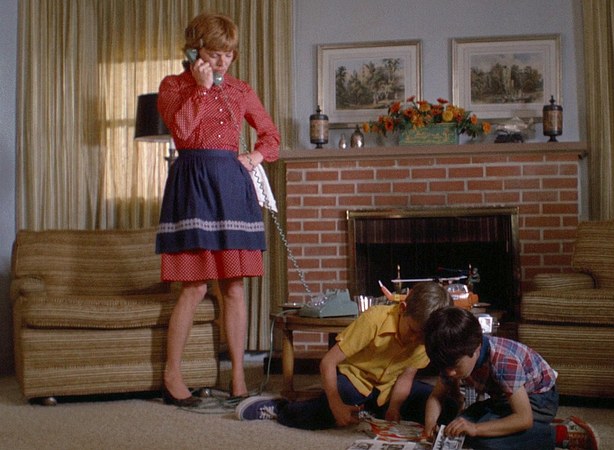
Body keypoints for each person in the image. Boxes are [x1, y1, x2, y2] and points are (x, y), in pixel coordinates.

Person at [156, 12, 280, 406]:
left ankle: (239, 380)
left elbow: (271, 135)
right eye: (214, 53)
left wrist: (255, 156)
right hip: (193, 185)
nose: (223, 61)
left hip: (231, 187)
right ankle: (172, 376)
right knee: (194, 286)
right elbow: (181, 131)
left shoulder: (241, 90)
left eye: (229, 53)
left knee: (235, 288)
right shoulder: (173, 86)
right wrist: (201, 89)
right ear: (195, 52)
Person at [236, 282, 452, 428]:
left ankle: (372, 411)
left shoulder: (427, 339)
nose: (415, 340)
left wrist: (394, 408)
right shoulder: (374, 319)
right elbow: (328, 362)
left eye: (422, 338)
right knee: (329, 410)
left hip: (389, 389)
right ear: (403, 309)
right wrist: (335, 404)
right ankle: (281, 408)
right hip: (355, 381)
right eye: (413, 331)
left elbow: (406, 378)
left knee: (445, 406)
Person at [422, 307, 559, 449]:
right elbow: (436, 396)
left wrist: (476, 428)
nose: (450, 373)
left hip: (539, 400)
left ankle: (550, 435)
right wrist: (430, 424)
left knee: (484, 441)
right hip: (502, 399)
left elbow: (524, 418)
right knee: (458, 426)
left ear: (476, 349)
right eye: (444, 367)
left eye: (455, 366)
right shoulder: (450, 360)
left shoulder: (503, 362)